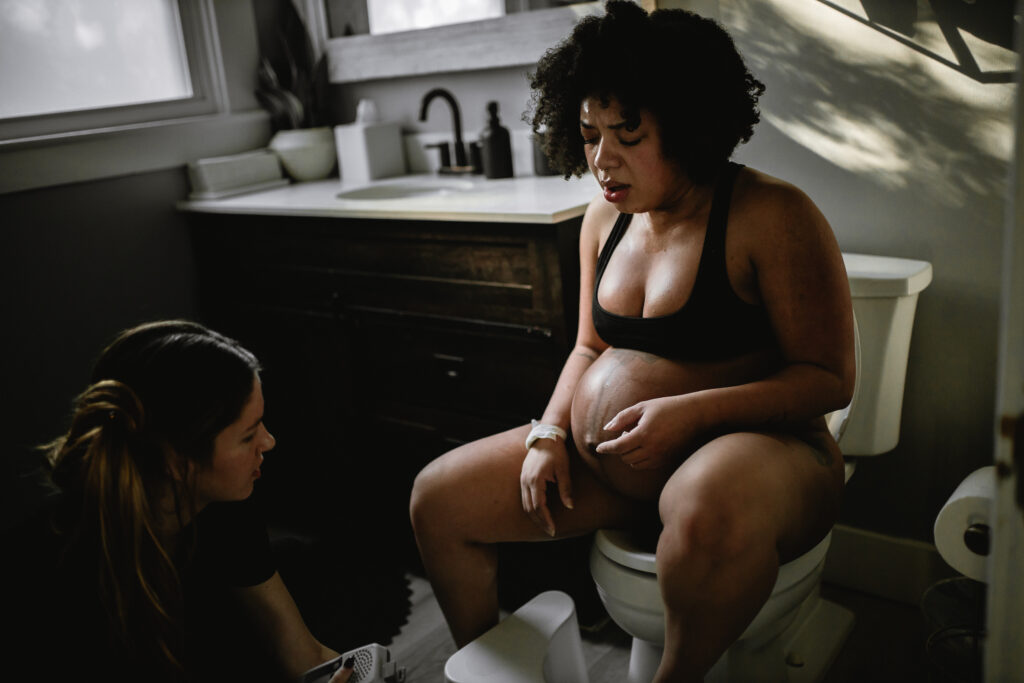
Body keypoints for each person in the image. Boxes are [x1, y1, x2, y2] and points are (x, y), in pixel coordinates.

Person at [409, 3, 855, 682]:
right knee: (437, 499)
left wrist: (694, 412)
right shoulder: (603, 219)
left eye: (628, 133)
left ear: (688, 123)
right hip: (626, 472)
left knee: (705, 506)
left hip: (769, 464)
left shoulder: (771, 215)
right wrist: (549, 433)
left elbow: (828, 378)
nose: (601, 159)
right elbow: (588, 348)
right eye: (589, 134)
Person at [2, 320, 355, 683]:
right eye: (249, 436)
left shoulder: (225, 503)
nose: (269, 442)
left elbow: (301, 652)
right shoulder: (65, 580)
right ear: (176, 461)